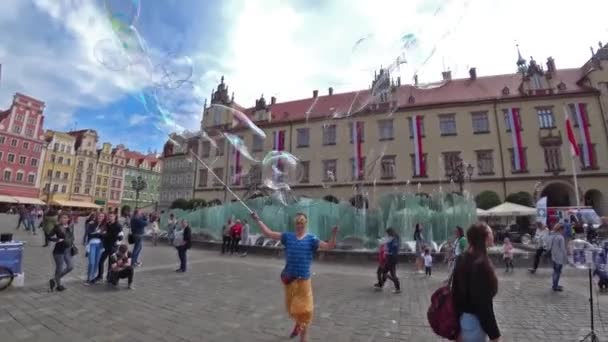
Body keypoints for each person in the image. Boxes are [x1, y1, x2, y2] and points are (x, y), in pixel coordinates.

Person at [251, 212, 338, 342]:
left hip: (304, 280)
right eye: (297, 222)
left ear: (306, 224)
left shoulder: (311, 239)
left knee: (306, 310)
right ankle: (299, 323)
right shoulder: (288, 237)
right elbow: (269, 234)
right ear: (295, 224)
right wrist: (258, 220)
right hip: (290, 279)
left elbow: (329, 246)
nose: (299, 225)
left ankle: (303, 337)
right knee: (293, 308)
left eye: (302, 223)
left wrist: (333, 234)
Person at [452, 223, 501, 342]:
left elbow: (455, 295)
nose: (493, 235)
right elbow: (483, 305)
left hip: (464, 322)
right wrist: (495, 336)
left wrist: (457, 328)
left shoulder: (463, 258)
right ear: (484, 237)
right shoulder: (481, 265)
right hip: (475, 324)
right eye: (490, 233)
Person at [48, 214, 75, 292]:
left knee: (70, 266)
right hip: (59, 251)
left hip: (68, 249)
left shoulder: (71, 226)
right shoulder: (57, 227)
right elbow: (49, 236)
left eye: (66, 217)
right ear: (60, 219)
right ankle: (58, 285)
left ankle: (54, 279)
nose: (65, 219)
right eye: (63, 218)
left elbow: (72, 237)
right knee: (59, 269)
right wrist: (57, 239)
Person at [94, 213, 123, 283]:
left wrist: (102, 235)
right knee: (101, 261)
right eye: (109, 216)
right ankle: (100, 276)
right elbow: (104, 232)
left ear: (115, 217)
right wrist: (101, 234)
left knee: (111, 263)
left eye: (112, 216)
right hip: (106, 246)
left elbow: (115, 236)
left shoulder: (118, 226)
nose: (110, 217)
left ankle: (109, 277)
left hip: (113, 247)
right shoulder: (107, 224)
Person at [377, 228, 401, 293]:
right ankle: (382, 284)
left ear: (389, 233)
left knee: (391, 273)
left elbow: (393, 249)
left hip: (391, 258)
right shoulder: (394, 239)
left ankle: (397, 287)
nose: (386, 234)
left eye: (387, 233)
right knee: (385, 272)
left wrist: (388, 251)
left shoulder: (392, 239)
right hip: (392, 258)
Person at [84, 213, 106, 285]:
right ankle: (88, 278)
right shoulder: (92, 224)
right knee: (91, 262)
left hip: (100, 245)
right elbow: (89, 233)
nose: (100, 217)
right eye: (99, 216)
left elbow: (104, 235)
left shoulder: (105, 226)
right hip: (92, 244)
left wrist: (96, 234)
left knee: (96, 262)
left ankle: (92, 278)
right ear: (97, 217)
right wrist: (99, 234)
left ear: (104, 218)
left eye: (102, 216)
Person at [548, 223, 568, 292]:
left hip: (553, 256)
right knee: (558, 272)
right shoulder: (560, 237)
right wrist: (566, 257)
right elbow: (563, 249)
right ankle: (555, 286)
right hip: (559, 257)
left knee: (555, 271)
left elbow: (549, 246)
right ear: (561, 229)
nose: (564, 231)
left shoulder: (552, 236)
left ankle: (555, 285)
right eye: (563, 229)